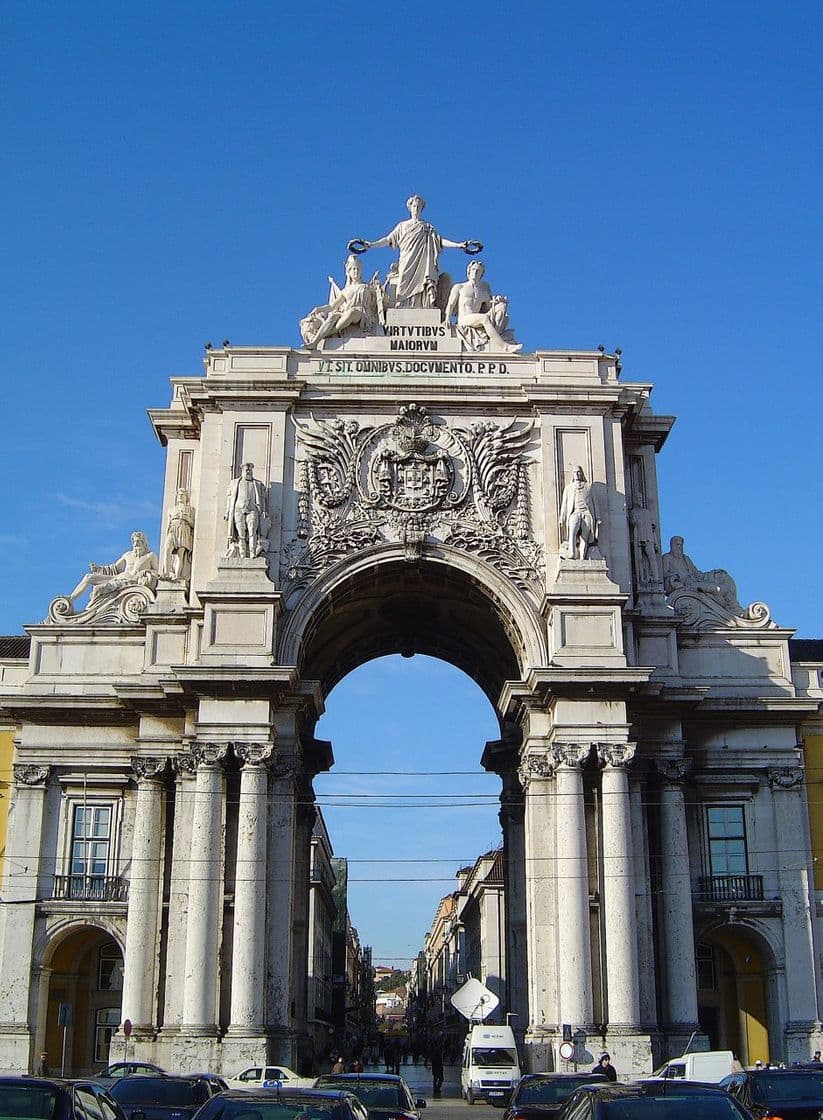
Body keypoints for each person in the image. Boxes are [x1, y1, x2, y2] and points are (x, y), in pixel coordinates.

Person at [352, 195, 478, 309]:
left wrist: (458, 245)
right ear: (410, 208)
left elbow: (440, 241)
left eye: (419, 206)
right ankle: (402, 306)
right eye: (414, 206)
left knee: (424, 283)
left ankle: (424, 306)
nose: (416, 208)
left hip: (423, 261)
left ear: (421, 209)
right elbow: (388, 239)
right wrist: (371, 244)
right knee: (403, 283)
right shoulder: (402, 226)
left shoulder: (427, 227)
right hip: (407, 259)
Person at [301, 254, 382, 348]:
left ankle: (324, 335)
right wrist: (318, 309)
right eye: (354, 269)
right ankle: (315, 342)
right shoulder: (346, 290)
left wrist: (378, 288)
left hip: (362, 314)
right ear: (349, 272)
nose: (356, 271)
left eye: (358, 269)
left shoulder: (367, 287)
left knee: (352, 312)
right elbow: (332, 306)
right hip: (348, 313)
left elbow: (381, 300)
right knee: (334, 316)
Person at [444, 261, 522, 353]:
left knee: (501, 307)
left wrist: (499, 301)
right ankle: (505, 346)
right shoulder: (460, 287)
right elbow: (451, 304)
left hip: (477, 318)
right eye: (473, 270)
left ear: (481, 274)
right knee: (484, 318)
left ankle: (494, 337)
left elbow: (489, 307)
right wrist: (447, 318)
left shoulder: (484, 289)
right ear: (468, 271)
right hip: (464, 319)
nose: (475, 272)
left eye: (478, 270)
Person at [68, 531, 158, 607]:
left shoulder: (150, 556)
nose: (136, 544)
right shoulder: (127, 555)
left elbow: (159, 572)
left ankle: (90, 611)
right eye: (134, 542)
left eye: (138, 542)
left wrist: (147, 571)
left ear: (144, 542)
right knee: (88, 577)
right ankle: (70, 599)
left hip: (130, 582)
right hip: (117, 578)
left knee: (97, 590)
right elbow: (114, 568)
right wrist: (99, 569)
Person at [661, 535, 741, 614]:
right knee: (716, 589)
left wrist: (713, 573)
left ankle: (732, 609)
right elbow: (664, 574)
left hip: (695, 581)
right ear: (672, 545)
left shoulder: (686, 558)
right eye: (677, 544)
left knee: (722, 578)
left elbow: (697, 573)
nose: (679, 547)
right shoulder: (667, 557)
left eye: (681, 545)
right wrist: (676, 580)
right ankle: (730, 610)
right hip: (686, 585)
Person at [225, 463, 268, 559]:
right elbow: (230, 498)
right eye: (246, 470)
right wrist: (227, 512)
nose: (248, 472)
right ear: (243, 471)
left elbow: (262, 498)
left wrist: (264, 510)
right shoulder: (235, 482)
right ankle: (242, 554)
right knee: (241, 534)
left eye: (250, 470)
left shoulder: (257, 484)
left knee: (252, 531)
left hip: (252, 510)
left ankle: (253, 553)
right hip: (238, 510)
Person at [559, 465, 601, 560]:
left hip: (586, 514)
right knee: (572, 532)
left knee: (584, 538)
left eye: (578, 472)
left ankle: (582, 557)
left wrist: (598, 517)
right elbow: (564, 504)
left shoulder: (588, 487)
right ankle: (572, 553)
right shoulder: (568, 488)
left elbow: (595, 503)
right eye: (575, 472)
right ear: (572, 475)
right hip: (575, 513)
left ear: (581, 473)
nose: (577, 474)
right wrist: (562, 517)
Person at [161, 488, 196, 581]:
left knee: (180, 555)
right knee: (167, 550)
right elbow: (167, 525)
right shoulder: (171, 509)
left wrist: (184, 517)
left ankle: (177, 576)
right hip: (173, 530)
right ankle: (166, 573)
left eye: (182, 495)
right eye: (179, 495)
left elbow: (193, 524)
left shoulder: (190, 509)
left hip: (184, 529)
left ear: (186, 497)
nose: (180, 496)